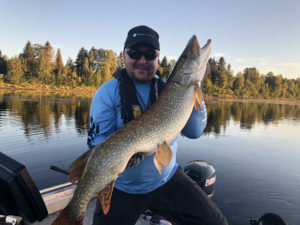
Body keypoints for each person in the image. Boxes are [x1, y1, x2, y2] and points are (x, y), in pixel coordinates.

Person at [87, 25, 228, 225]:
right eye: (135, 53)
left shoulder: (170, 88)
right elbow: (97, 142)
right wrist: (124, 156)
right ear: (124, 55)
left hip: (166, 179)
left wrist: (196, 84)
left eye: (150, 54)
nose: (142, 61)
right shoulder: (108, 92)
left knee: (216, 223)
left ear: (157, 58)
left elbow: (195, 131)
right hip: (123, 187)